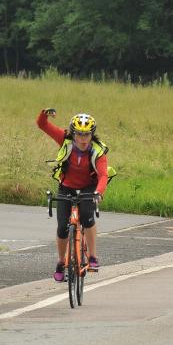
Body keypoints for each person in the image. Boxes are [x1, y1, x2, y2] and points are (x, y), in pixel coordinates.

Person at [36, 108, 108, 282]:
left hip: (88, 188)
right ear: (73, 133)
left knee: (87, 218)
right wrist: (44, 113)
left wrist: (98, 192)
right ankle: (61, 262)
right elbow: (42, 125)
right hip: (66, 188)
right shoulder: (64, 140)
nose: (83, 139)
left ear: (92, 134)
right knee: (62, 227)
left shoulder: (98, 151)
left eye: (87, 135)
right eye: (79, 134)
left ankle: (92, 257)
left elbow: (103, 175)